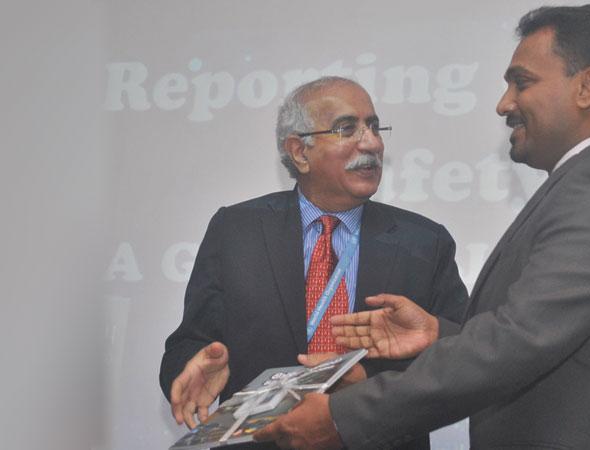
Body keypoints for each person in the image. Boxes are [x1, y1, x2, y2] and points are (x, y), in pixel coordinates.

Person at [254, 5, 590, 450]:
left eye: (523, 82)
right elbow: (536, 338)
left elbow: (515, 345)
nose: (505, 103)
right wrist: (439, 336)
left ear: (588, 87)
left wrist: (343, 417)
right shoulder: (586, 185)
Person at [159, 76, 468, 450]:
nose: (371, 142)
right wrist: (195, 367)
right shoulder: (236, 230)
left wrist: (365, 379)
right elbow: (189, 343)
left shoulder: (424, 242)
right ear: (299, 152)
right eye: (346, 128)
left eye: (373, 126)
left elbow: (460, 359)